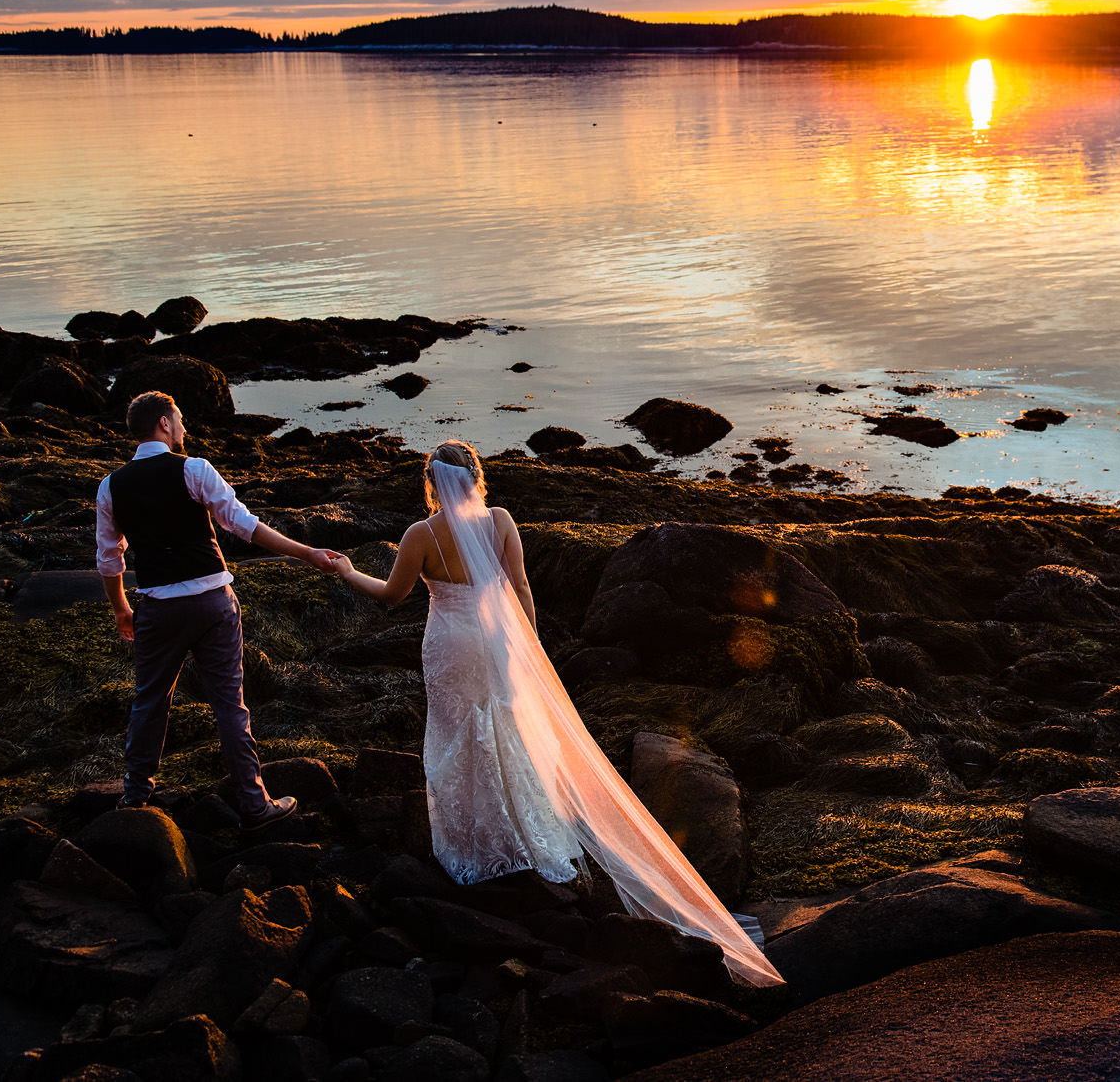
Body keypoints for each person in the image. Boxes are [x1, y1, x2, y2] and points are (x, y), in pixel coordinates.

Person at [333, 439, 782, 987]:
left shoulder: (420, 536)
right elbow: (520, 586)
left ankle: (477, 844)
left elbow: (391, 595)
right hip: (498, 641)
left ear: (431, 482)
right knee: (508, 730)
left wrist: (348, 570)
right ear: (477, 476)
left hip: (450, 645)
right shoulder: (499, 521)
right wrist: (530, 650)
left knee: (460, 734)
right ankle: (531, 836)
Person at [96, 390, 344, 827]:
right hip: (213, 601)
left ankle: (135, 797)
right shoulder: (193, 469)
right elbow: (245, 526)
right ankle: (254, 804)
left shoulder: (111, 485)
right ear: (164, 425)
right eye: (181, 419)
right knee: (230, 705)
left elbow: (109, 558)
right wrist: (306, 553)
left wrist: (120, 609)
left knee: (149, 701)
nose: (185, 427)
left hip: (156, 605)